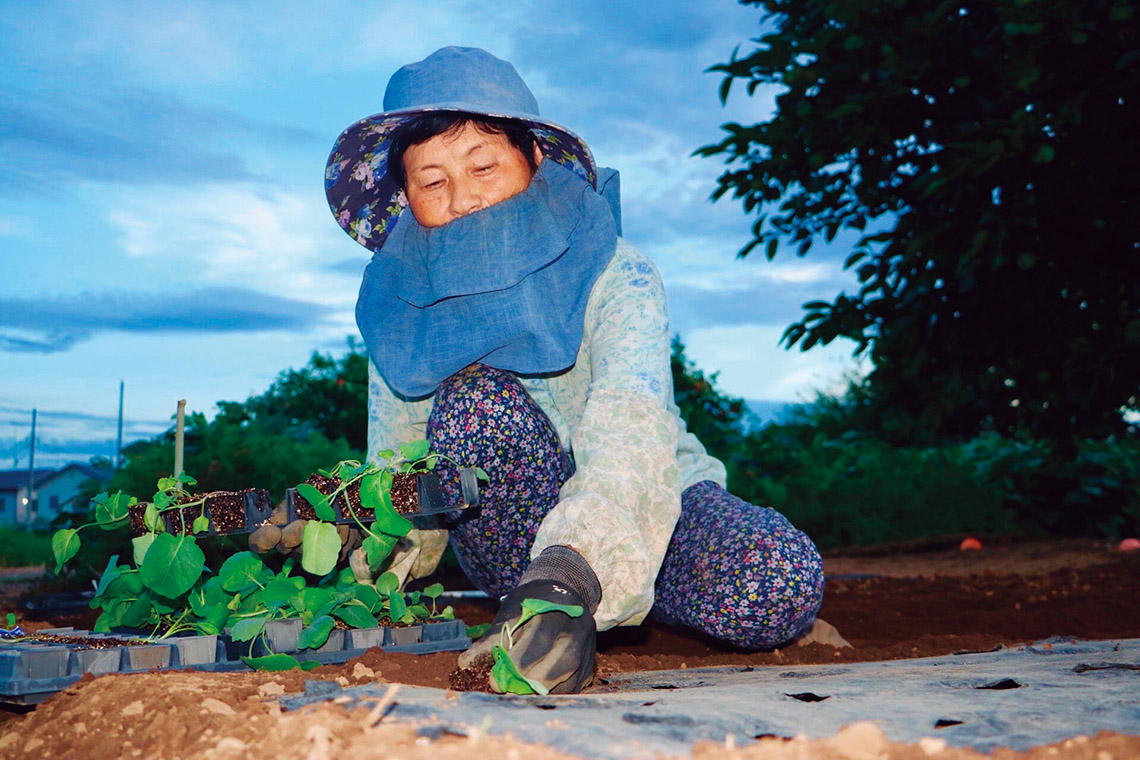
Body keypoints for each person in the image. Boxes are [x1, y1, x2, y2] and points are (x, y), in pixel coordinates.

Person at [320, 46, 829, 694]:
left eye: (483, 166)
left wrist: (571, 573)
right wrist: (349, 545)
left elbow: (630, 431)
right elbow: (399, 475)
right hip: (511, 534)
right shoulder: (399, 309)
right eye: (432, 181)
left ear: (532, 159)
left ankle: (606, 594)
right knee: (475, 403)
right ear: (405, 196)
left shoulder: (620, 273)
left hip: (644, 498)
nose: (463, 198)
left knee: (777, 577)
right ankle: (544, 615)